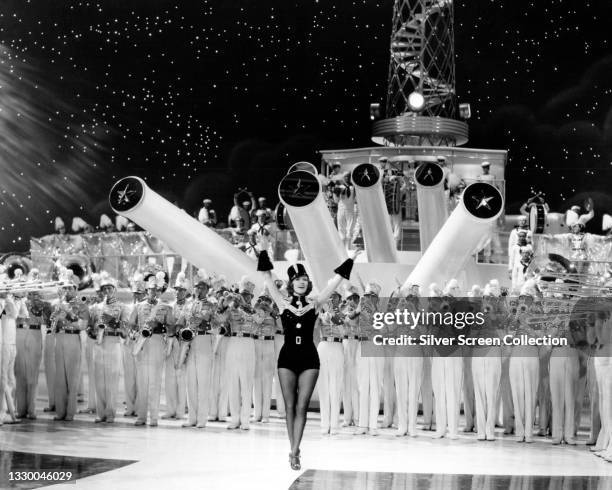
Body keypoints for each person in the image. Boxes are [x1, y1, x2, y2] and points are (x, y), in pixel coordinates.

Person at [257, 237, 356, 471]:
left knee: (302, 406)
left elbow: (336, 281)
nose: (301, 282)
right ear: (291, 284)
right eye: (297, 279)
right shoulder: (282, 304)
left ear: (308, 283)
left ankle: (294, 450)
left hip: (309, 359)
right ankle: (294, 449)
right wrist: (263, 248)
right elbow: (267, 277)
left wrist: (350, 258)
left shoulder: (316, 303)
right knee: (290, 406)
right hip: (287, 359)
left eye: (304, 279)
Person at [129, 272, 174, 427]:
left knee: (154, 381)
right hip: (143, 342)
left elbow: (171, 328)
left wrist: (159, 325)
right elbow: (130, 325)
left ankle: (153, 417)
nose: (153, 292)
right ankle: (141, 416)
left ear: (160, 291)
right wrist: (135, 335)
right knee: (142, 381)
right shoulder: (138, 306)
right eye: (151, 289)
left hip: (156, 341)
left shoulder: (166, 308)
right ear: (146, 290)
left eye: (157, 290)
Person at [51, 269, 90, 421]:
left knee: (72, 377)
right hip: (59, 338)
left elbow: (82, 326)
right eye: (64, 287)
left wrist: (69, 314)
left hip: (73, 339)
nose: (66, 290)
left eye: (69, 288)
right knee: (59, 377)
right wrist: (56, 318)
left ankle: (70, 412)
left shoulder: (81, 305)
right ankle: (60, 411)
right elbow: (52, 327)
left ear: (75, 289)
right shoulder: (58, 304)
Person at [92, 272, 128, 423]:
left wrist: (113, 322)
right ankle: (101, 413)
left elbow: (125, 331)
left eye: (109, 288)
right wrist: (95, 329)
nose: (106, 291)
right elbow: (90, 328)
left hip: (113, 342)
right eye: (104, 289)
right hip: (99, 343)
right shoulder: (96, 307)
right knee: (99, 379)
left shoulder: (122, 307)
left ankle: (111, 412)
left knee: (112, 380)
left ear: (114, 290)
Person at [223, 277, 257, 430]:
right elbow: (218, 321)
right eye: (243, 294)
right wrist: (223, 305)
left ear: (251, 297)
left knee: (246, 382)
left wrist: (244, 306)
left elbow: (258, 320)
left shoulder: (258, 309)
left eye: (248, 295)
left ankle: (245, 420)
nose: (245, 297)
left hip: (248, 343)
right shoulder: (232, 310)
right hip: (233, 342)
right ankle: (235, 418)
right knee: (233, 382)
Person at [15, 289, 51, 420]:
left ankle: (32, 408)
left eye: (34, 293)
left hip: (34, 333)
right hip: (18, 332)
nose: (31, 295)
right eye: (29, 292)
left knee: (32, 374)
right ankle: (20, 409)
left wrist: (40, 306)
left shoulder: (43, 304)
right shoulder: (17, 301)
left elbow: (46, 322)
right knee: (19, 373)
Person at [316, 289, 344, 435]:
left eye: (335, 297)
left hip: (338, 346)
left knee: (336, 386)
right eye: (330, 297)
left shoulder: (343, 312)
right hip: (324, 346)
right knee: (323, 386)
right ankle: (324, 423)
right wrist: (320, 312)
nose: (332, 300)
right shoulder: (319, 312)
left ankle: (334, 424)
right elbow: (313, 327)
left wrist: (332, 315)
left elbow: (344, 330)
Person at [164, 272, 190, 421]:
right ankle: (170, 409)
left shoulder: (190, 306)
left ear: (186, 292)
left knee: (181, 378)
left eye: (181, 290)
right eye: (177, 289)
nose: (179, 292)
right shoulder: (170, 307)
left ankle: (181, 410)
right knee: (170, 378)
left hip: (183, 344)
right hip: (171, 343)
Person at [122, 272, 146, 417]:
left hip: (142, 345)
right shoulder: (127, 308)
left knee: (140, 378)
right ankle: (130, 406)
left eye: (140, 294)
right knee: (129, 377)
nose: (137, 296)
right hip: (129, 343)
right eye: (136, 293)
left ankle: (140, 407)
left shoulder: (147, 307)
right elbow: (125, 326)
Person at [252, 293, 277, 423]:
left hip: (269, 343)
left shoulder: (274, 315)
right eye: (261, 300)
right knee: (256, 378)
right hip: (256, 343)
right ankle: (257, 413)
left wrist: (271, 311)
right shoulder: (254, 313)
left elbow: (282, 326)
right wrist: (259, 312)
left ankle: (266, 414)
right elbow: (255, 323)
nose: (264, 303)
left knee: (267, 379)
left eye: (266, 301)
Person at [341, 285, 360, 428]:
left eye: (354, 298)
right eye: (349, 298)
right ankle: (347, 417)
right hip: (346, 343)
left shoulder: (362, 311)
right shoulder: (343, 309)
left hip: (358, 345)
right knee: (346, 383)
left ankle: (359, 417)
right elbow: (345, 321)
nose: (351, 301)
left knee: (357, 383)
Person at [333, 173, 356, 250]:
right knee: (341, 231)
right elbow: (336, 200)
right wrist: (336, 192)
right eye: (345, 177)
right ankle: (342, 250)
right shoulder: (339, 187)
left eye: (348, 177)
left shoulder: (354, 187)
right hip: (342, 210)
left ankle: (348, 249)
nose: (346, 178)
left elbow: (356, 199)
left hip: (350, 210)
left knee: (349, 231)